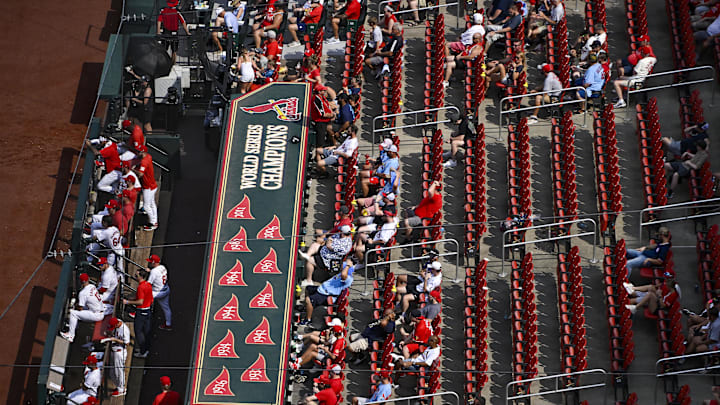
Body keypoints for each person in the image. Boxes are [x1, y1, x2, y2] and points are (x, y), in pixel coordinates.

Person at [300, 259, 355, 325]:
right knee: (308, 288)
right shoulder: (342, 273)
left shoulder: (348, 278)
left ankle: (308, 320)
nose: (341, 266)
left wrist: (348, 265)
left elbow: (344, 274)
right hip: (322, 290)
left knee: (308, 300)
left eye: (344, 266)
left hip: (325, 295)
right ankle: (307, 308)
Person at [60, 273, 104, 343]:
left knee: (73, 313)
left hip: (96, 315)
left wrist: (74, 306)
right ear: (88, 279)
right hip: (99, 310)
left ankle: (71, 336)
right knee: (78, 311)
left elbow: (80, 308)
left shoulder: (83, 293)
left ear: (81, 282)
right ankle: (73, 325)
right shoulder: (92, 286)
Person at [123, 270, 154, 358]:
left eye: (136, 276)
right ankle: (145, 349)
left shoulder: (141, 287)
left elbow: (140, 302)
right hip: (148, 311)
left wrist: (128, 302)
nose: (135, 277)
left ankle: (143, 351)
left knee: (139, 332)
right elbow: (150, 299)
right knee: (146, 331)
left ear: (141, 277)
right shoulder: (148, 284)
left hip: (141, 312)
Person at [133, 144, 159, 231]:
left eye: (139, 151)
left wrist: (133, 170)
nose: (137, 153)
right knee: (152, 204)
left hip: (148, 187)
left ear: (142, 152)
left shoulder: (144, 161)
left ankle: (152, 223)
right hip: (152, 185)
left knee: (146, 206)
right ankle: (155, 221)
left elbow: (140, 174)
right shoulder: (148, 156)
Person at [104, 317, 130, 397]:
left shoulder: (124, 330)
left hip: (120, 352)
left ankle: (122, 389)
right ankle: (119, 387)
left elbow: (127, 343)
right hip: (114, 350)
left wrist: (114, 339)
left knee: (119, 371)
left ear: (116, 324)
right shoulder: (118, 321)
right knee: (113, 372)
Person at [146, 254, 172, 330]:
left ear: (154, 262)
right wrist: (150, 271)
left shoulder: (154, 272)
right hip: (166, 289)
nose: (150, 263)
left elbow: (148, 283)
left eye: (151, 262)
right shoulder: (163, 267)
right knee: (166, 308)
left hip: (158, 292)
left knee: (143, 297)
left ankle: (138, 312)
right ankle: (168, 324)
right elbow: (158, 275)